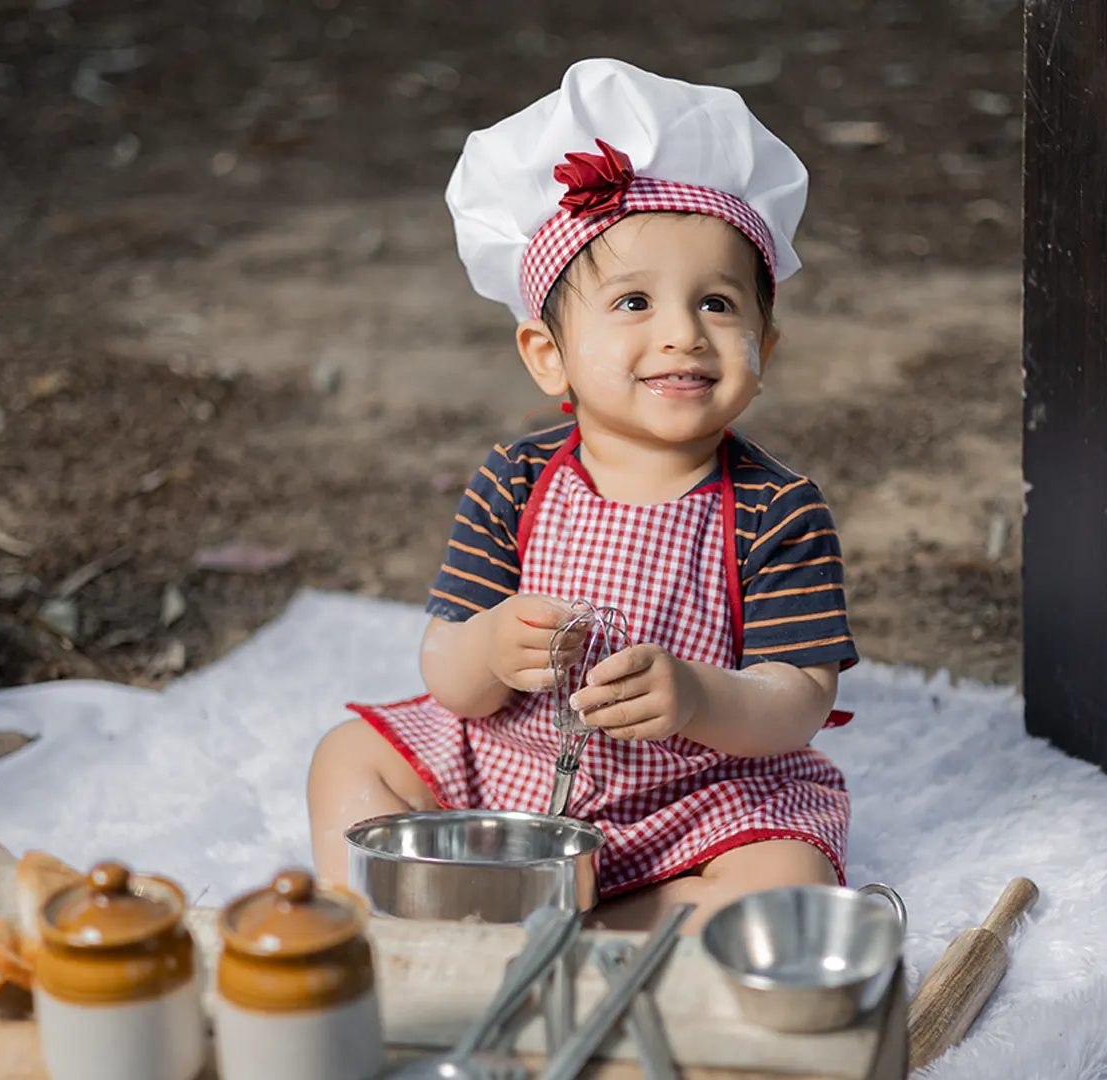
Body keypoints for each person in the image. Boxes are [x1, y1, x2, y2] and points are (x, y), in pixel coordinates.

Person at [307, 57, 861, 932]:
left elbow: (799, 700)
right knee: (347, 757)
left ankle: (598, 925)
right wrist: (490, 648)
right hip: (508, 776)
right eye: (634, 301)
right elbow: (448, 673)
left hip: (694, 796)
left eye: (718, 304)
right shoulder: (516, 479)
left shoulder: (777, 507)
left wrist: (697, 699)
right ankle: (364, 920)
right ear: (546, 355)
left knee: (787, 877)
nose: (683, 333)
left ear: (767, 345)